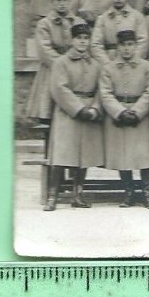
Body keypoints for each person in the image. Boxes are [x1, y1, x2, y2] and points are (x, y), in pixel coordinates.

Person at [44, 23, 105, 211]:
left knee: (83, 156)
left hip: (89, 112)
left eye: (86, 38)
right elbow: (59, 88)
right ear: (72, 40)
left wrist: (95, 108)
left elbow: (101, 89)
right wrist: (78, 108)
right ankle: (52, 197)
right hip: (67, 114)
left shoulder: (95, 64)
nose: (82, 42)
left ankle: (77, 195)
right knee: (62, 155)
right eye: (79, 38)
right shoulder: (61, 62)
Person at [98, 29, 149, 209]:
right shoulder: (108, 69)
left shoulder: (147, 67)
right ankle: (128, 193)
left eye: (130, 45)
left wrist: (137, 111)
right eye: (123, 45)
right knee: (122, 156)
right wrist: (119, 112)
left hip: (141, 116)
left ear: (136, 46)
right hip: (118, 116)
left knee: (144, 156)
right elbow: (105, 93)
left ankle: (148, 194)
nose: (126, 49)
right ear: (117, 47)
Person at [25, 0, 85, 125]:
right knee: (48, 115)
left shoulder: (78, 22)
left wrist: (73, 63)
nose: (62, 3)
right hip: (51, 69)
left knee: (73, 111)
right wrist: (62, 64)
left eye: (65, 0)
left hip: (75, 68)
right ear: (52, 3)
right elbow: (44, 49)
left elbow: (84, 44)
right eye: (58, 0)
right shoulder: (44, 24)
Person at [91, 0, 149, 64]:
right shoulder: (102, 18)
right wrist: (107, 63)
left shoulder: (137, 16)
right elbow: (96, 44)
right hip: (110, 60)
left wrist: (134, 59)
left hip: (133, 62)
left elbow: (143, 41)